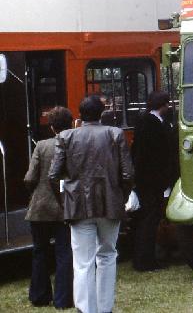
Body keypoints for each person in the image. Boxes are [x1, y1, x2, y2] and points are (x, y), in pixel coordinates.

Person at [49, 95, 134, 313]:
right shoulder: (115, 134)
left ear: (80, 114)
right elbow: (127, 173)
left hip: (77, 205)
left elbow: (54, 175)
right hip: (110, 203)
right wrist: (121, 197)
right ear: (102, 112)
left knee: (83, 261)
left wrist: (64, 201)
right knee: (107, 255)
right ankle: (105, 308)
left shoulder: (66, 137)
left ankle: (86, 309)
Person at [24, 106, 74, 309]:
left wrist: (34, 192)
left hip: (40, 206)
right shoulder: (73, 143)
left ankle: (39, 296)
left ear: (52, 127)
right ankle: (63, 299)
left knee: (40, 252)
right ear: (70, 123)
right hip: (64, 207)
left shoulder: (42, 146)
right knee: (64, 253)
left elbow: (30, 177)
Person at [130, 90, 178, 271]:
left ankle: (143, 258)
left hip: (145, 180)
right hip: (153, 180)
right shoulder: (154, 124)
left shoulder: (143, 122)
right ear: (163, 105)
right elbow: (159, 155)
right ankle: (145, 260)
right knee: (149, 221)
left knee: (145, 220)